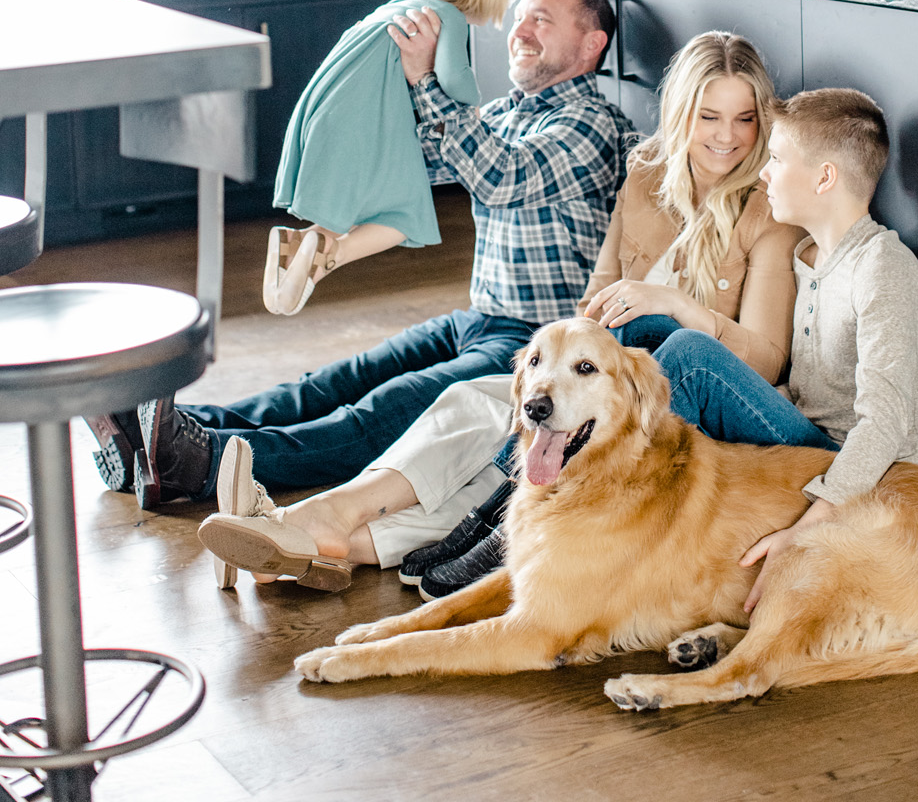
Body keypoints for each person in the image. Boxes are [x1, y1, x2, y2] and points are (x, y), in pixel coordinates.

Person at [196, 32, 808, 592]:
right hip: (607, 384)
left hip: (682, 410)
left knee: (502, 427)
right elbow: (595, 297)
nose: (727, 137)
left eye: (745, 119)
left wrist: (674, 303)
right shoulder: (646, 175)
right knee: (481, 407)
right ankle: (337, 539)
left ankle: (317, 525)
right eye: (709, 117)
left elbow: (766, 360)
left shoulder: (766, 210)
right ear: (681, 116)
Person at [87, 0, 633, 534]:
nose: (520, 29)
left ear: (591, 44)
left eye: (541, 19)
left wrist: (425, 76)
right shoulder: (505, 114)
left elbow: (499, 176)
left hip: (535, 343)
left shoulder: (591, 124)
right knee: (329, 384)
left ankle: (196, 462)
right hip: (479, 317)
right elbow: (425, 168)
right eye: (521, 16)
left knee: (378, 414)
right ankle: (157, 433)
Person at [654, 86, 918, 614]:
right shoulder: (808, 257)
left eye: (778, 159)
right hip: (809, 438)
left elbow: (884, 424)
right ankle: (504, 519)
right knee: (644, 332)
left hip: (861, 476)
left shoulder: (883, 269)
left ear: (825, 177)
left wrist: (805, 530)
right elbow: (809, 391)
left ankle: (594, 523)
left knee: (688, 356)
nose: (763, 172)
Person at [265, 0, 518, 315]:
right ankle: (321, 253)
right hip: (366, 128)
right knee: (402, 215)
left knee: (359, 207)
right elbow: (453, 78)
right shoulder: (444, 16)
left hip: (324, 119)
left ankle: (307, 244)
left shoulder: (390, 10)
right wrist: (477, 103)